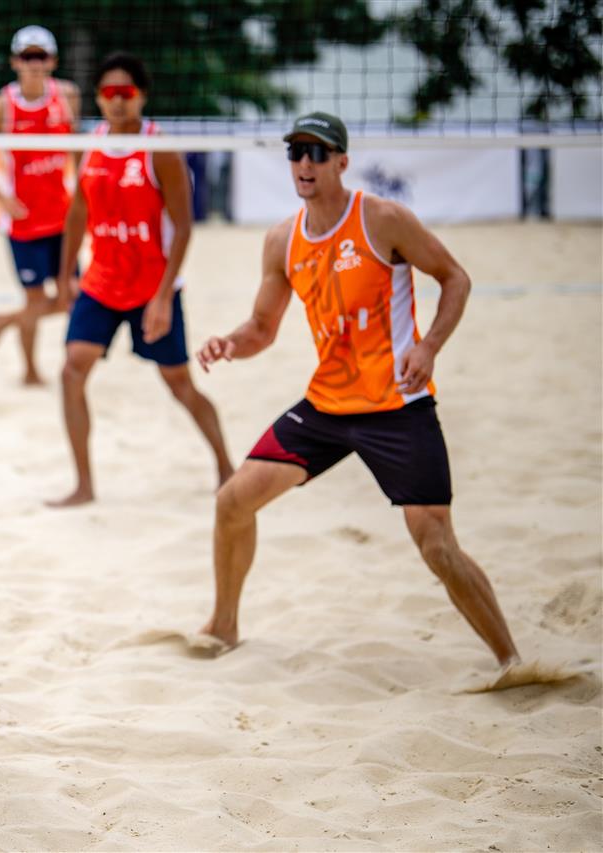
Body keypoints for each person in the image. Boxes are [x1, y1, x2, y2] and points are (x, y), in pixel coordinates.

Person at [194, 111, 520, 669]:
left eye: (317, 152)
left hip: (397, 405)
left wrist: (429, 346)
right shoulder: (282, 240)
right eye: (295, 152)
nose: (304, 162)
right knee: (232, 502)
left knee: (436, 544)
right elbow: (263, 329)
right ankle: (224, 625)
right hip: (327, 406)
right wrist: (229, 343)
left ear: (342, 162)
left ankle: (512, 661)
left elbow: (456, 277)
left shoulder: (383, 219)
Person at [49, 52, 233, 507]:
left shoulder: (159, 149)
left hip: (152, 285)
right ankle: (83, 486)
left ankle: (226, 467)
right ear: (98, 97)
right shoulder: (89, 145)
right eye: (109, 93)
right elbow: (77, 213)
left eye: (125, 92)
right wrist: (66, 274)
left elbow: (184, 227)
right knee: (72, 372)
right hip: (101, 282)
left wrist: (164, 297)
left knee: (180, 385)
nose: (117, 101)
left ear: (141, 96)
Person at [0, 25, 80, 385]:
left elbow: (77, 148)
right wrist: (1, 198)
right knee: (35, 300)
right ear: (15, 62)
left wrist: (84, 195)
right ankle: (31, 371)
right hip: (23, 220)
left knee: (72, 298)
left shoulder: (68, 96)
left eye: (41, 55)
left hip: (62, 215)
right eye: (27, 56)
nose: (34, 62)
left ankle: (4, 320)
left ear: (52, 61)